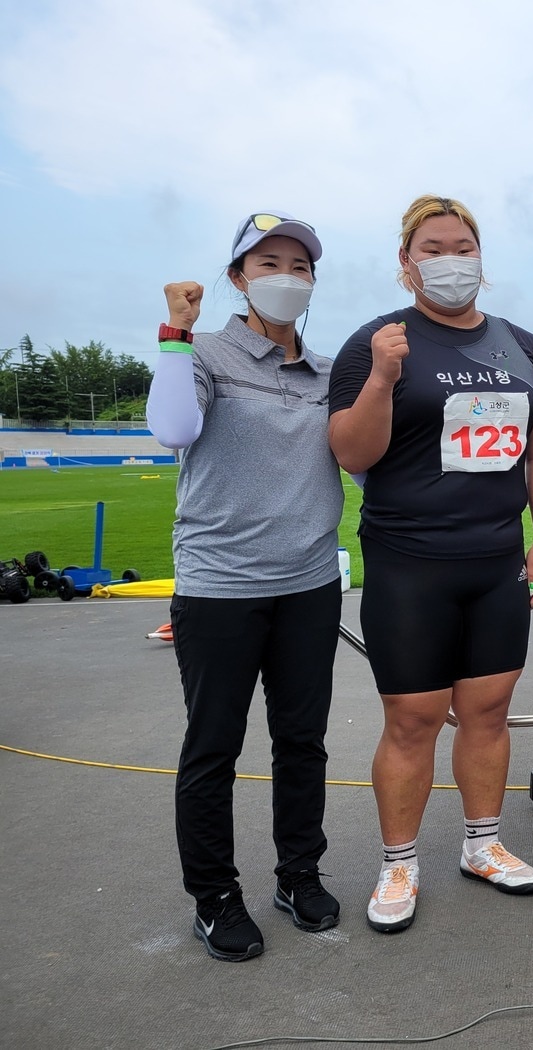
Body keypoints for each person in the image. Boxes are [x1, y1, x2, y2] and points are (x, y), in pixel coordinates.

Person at [327, 194, 533, 933]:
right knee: (414, 721)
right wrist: (381, 380)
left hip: (495, 561)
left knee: (488, 713)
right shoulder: (376, 342)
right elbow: (349, 453)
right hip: (408, 564)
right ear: (406, 262)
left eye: (463, 246)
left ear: (481, 259)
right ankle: (399, 863)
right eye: (432, 247)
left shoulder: (523, 346)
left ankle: (483, 846)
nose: (450, 260)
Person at [148, 211, 345, 961]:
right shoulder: (203, 352)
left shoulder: (329, 373)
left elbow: (358, 463)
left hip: (308, 583)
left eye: (299, 264)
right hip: (220, 588)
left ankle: (299, 874)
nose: (286, 276)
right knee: (214, 747)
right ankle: (215, 896)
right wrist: (173, 330)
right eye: (268, 263)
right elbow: (171, 429)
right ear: (238, 276)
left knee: (302, 742)